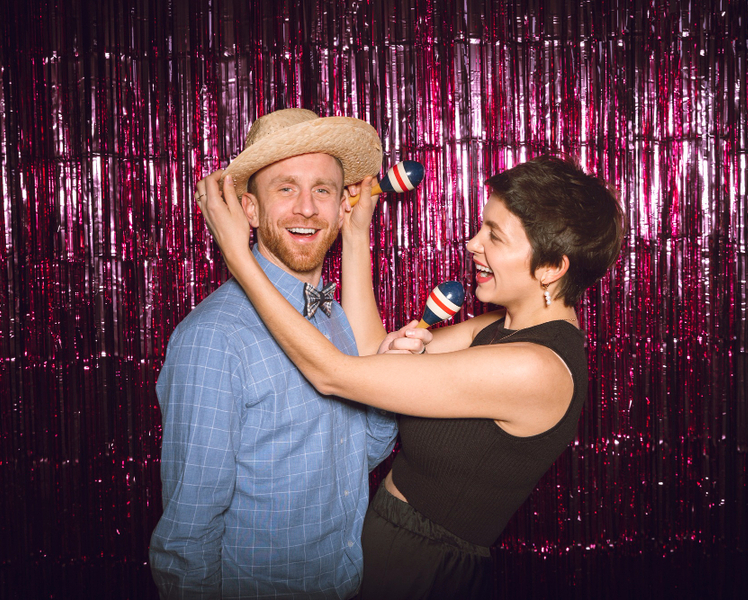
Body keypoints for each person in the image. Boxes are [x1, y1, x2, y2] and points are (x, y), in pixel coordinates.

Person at [196, 155, 625, 599]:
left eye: (494, 236)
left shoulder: (534, 368)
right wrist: (356, 231)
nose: (473, 244)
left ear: (552, 267)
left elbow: (332, 374)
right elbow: (370, 354)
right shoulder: (498, 328)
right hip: (380, 544)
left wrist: (239, 257)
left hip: (424, 573)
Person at [149, 108, 399, 599]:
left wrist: (390, 377)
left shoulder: (333, 314)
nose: (307, 209)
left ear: (340, 206)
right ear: (250, 210)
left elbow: (358, 456)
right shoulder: (215, 339)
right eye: (286, 188)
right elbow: (188, 534)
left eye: (323, 190)